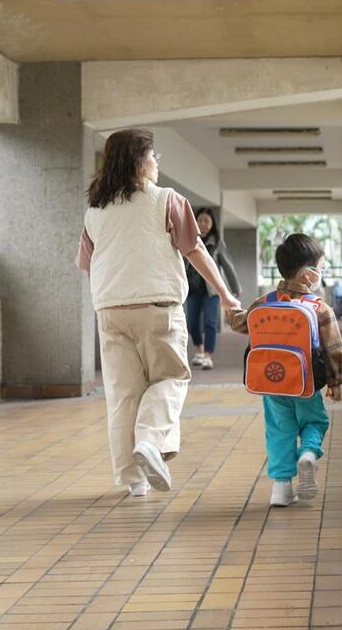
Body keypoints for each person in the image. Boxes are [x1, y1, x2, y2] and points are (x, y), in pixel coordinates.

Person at [75, 128, 240, 498]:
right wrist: (226, 296)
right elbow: (195, 250)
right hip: (157, 307)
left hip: (109, 310)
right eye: (154, 156)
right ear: (139, 161)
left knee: (123, 395)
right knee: (171, 378)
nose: (157, 162)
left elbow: (88, 263)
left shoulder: (95, 211)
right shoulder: (166, 200)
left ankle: (134, 482)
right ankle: (150, 439)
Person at [226, 233, 342, 507]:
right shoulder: (318, 308)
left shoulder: (265, 302)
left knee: (279, 431)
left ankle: (281, 489)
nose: (321, 275)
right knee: (314, 422)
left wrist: (229, 308)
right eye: (320, 269)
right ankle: (307, 453)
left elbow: (241, 324)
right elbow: (334, 347)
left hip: (271, 384)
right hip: (305, 384)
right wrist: (335, 382)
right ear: (307, 276)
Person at [184, 208, 241, 370]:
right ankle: (199, 351)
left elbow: (227, 265)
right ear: (195, 222)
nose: (203, 224)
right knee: (192, 323)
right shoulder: (187, 238)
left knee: (210, 322)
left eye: (206, 221)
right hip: (193, 288)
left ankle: (208, 355)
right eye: (200, 220)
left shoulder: (217, 242)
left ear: (212, 224)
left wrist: (235, 287)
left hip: (212, 291)